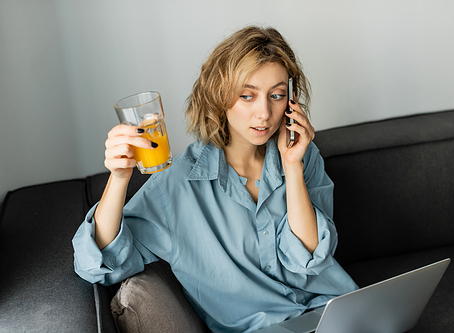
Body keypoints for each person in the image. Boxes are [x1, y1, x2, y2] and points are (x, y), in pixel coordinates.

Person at [72, 26, 358, 332]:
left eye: (276, 95)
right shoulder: (177, 185)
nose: (264, 113)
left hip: (339, 312)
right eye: (247, 96)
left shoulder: (303, 156)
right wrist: (118, 178)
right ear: (219, 96)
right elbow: (100, 263)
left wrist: (292, 166)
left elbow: (311, 258)